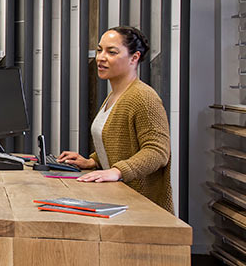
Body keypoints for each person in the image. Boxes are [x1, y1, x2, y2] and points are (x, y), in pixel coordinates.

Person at [56, 26, 173, 212]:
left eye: (111, 52)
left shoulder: (143, 97)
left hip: (142, 208)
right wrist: (92, 161)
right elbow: (119, 145)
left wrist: (118, 171)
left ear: (134, 58)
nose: (101, 58)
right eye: (99, 50)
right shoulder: (115, 95)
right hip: (118, 200)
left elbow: (158, 152)